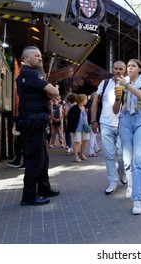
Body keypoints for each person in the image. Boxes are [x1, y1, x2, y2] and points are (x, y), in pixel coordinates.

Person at [16, 46, 60, 206]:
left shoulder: (25, 74)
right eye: (36, 56)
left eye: (41, 56)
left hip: (33, 122)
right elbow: (54, 92)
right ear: (27, 59)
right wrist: (51, 91)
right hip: (33, 122)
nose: (40, 59)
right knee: (35, 159)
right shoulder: (31, 74)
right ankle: (29, 196)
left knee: (43, 158)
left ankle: (43, 189)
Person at [113, 59, 141, 215]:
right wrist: (118, 97)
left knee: (139, 159)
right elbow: (115, 110)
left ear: (139, 69)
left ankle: (137, 200)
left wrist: (127, 85)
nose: (129, 68)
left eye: (133, 65)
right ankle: (130, 185)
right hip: (125, 119)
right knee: (126, 159)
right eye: (128, 66)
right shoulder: (121, 84)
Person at [90, 61, 127, 195]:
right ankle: (112, 182)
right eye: (116, 68)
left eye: (121, 69)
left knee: (123, 155)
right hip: (105, 123)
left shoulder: (128, 84)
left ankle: (122, 171)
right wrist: (93, 120)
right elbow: (95, 102)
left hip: (123, 124)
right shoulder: (105, 83)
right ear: (113, 69)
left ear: (125, 70)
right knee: (109, 155)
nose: (118, 71)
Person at [67, 94, 90, 163]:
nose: (86, 101)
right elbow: (70, 119)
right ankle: (76, 157)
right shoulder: (74, 108)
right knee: (77, 142)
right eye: (85, 99)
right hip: (77, 128)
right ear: (82, 100)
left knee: (85, 141)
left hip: (85, 128)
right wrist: (70, 130)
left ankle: (82, 154)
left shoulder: (84, 108)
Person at [86, 92, 101, 157]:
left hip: (90, 121)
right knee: (92, 136)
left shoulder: (88, 103)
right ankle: (91, 152)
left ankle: (96, 148)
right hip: (93, 121)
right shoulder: (94, 105)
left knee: (93, 136)